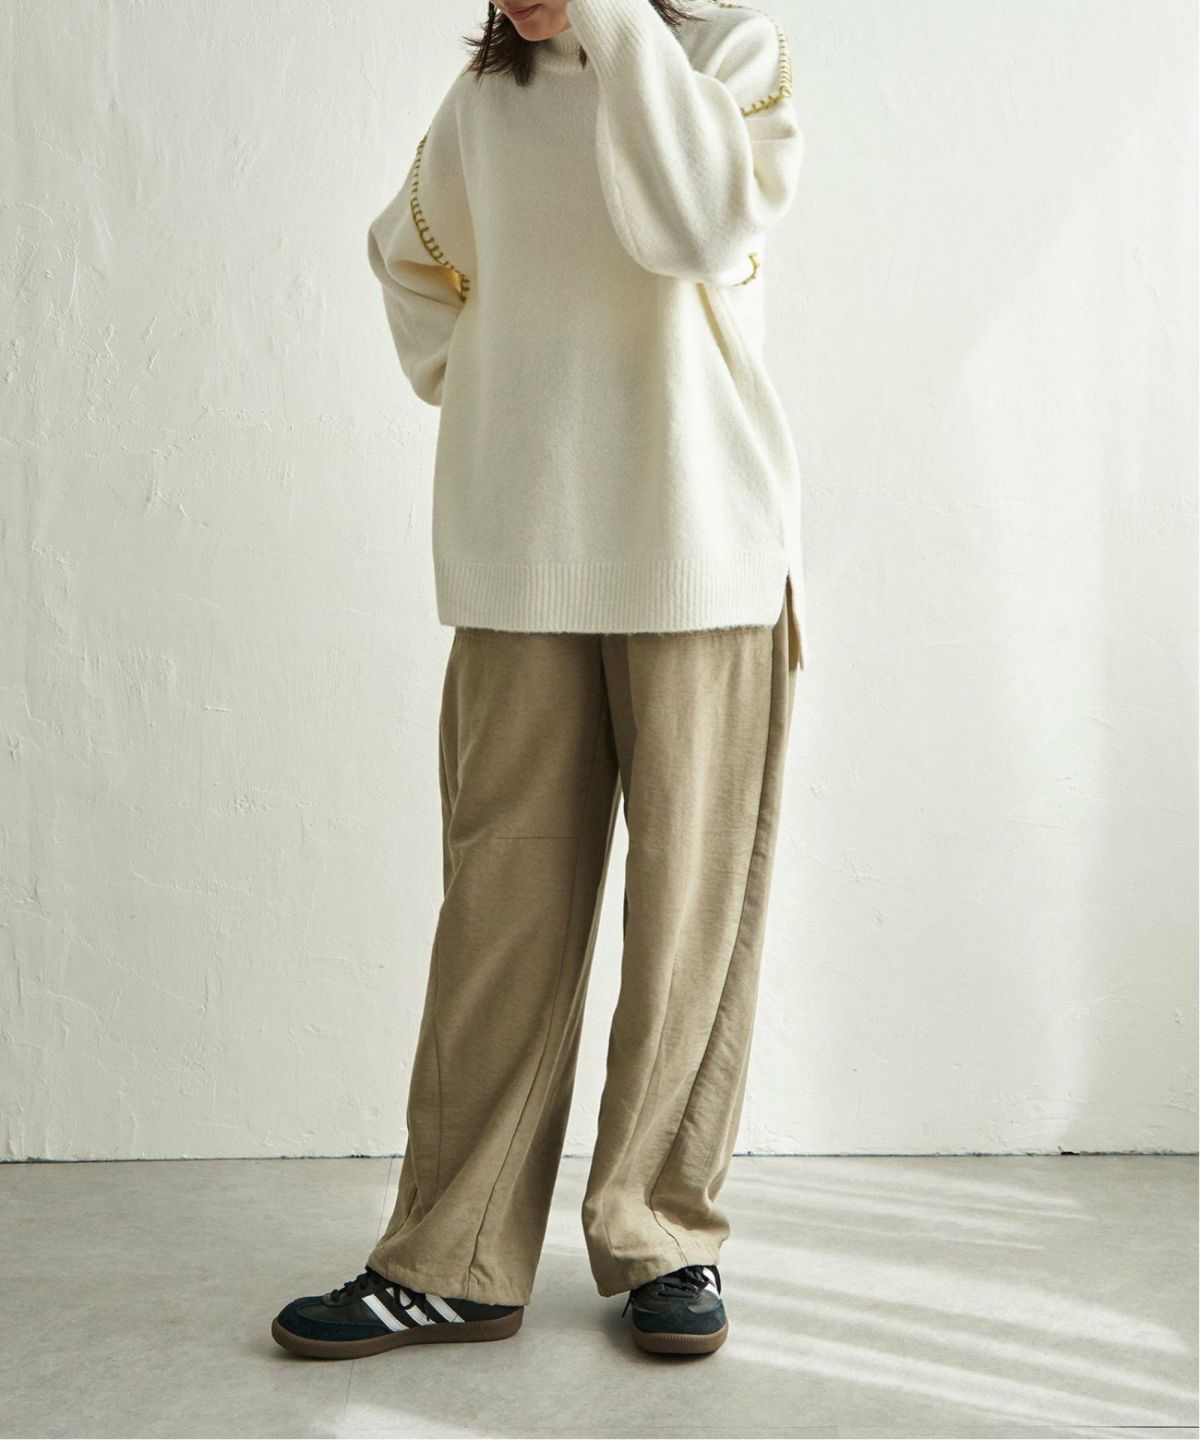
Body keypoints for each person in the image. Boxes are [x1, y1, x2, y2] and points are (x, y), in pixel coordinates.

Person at [272, 0, 806, 1361]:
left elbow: (699, 227)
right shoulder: (487, 100)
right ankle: (453, 1258)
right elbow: (409, 259)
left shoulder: (728, 54)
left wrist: (616, 25)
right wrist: (492, 381)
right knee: (497, 916)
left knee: (689, 923)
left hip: (701, 557)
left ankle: (662, 1239)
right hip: (520, 561)